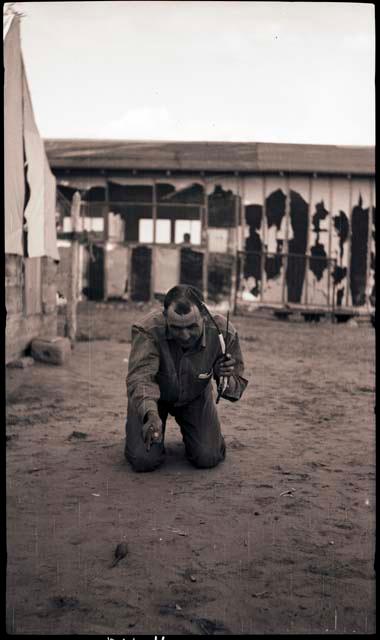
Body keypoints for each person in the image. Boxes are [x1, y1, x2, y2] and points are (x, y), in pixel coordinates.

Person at [124, 284, 248, 472]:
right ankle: (141, 438)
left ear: (204, 315)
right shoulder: (147, 330)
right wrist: (150, 413)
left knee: (208, 456)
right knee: (143, 460)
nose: (184, 335)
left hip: (195, 396)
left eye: (191, 327)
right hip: (153, 399)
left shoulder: (225, 332)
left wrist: (224, 377)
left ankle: (205, 436)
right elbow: (140, 378)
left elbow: (236, 387)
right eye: (176, 328)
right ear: (165, 316)